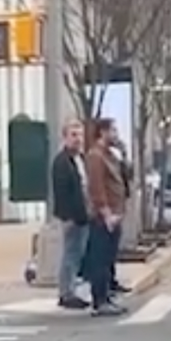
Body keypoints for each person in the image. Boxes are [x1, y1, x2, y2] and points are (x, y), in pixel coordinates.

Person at [84, 119, 130, 317]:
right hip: (104, 216)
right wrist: (106, 212)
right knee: (100, 259)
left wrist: (124, 153)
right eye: (113, 130)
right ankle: (99, 300)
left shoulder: (110, 155)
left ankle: (107, 295)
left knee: (109, 258)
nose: (116, 134)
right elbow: (96, 186)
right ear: (102, 132)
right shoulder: (95, 156)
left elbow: (126, 177)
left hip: (115, 213)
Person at [51, 119, 91, 310]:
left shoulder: (80, 159)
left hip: (83, 214)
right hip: (72, 216)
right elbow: (62, 192)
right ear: (65, 137)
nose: (78, 139)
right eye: (73, 135)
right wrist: (69, 216)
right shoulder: (61, 162)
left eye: (80, 135)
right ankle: (66, 292)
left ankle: (72, 288)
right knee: (70, 253)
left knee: (77, 253)